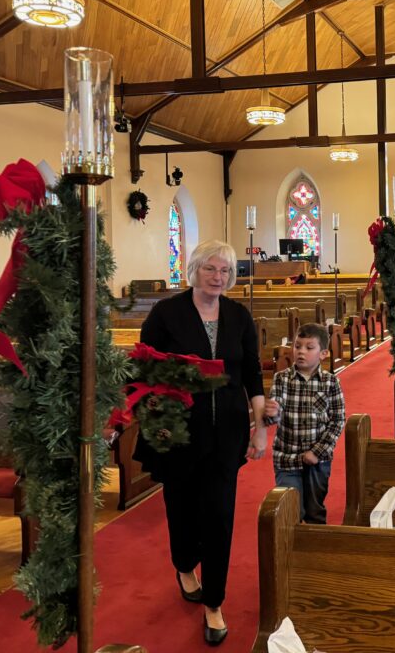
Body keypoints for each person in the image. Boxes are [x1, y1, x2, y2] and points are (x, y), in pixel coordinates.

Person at [135, 240, 266, 646]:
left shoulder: (238, 316)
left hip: (227, 431)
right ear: (194, 270)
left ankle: (214, 603)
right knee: (181, 508)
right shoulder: (166, 314)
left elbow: (253, 376)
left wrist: (260, 426)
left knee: (220, 517)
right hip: (178, 432)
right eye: (211, 269)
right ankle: (184, 564)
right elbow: (144, 368)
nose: (218, 277)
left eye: (225, 271)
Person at [263, 323, 345, 524]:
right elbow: (275, 413)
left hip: (318, 462)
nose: (301, 352)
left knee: (314, 511)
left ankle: (314, 552)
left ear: (323, 353)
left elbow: (337, 420)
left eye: (309, 348)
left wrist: (317, 452)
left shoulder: (330, 382)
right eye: (298, 346)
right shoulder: (281, 379)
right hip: (287, 458)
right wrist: (271, 413)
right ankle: (290, 553)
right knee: (290, 512)